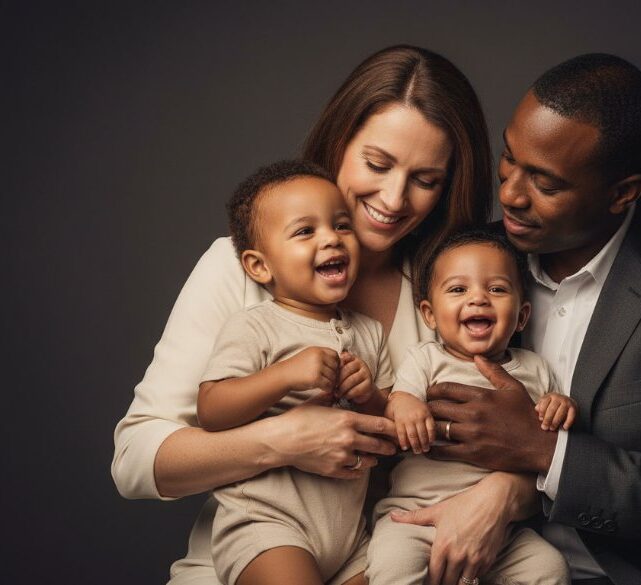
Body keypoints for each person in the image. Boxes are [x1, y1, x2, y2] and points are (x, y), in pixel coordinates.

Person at [111, 46, 524, 585]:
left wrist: (506, 492)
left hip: (378, 561)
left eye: (425, 180)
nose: (394, 198)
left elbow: (511, 432)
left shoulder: (453, 297)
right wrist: (285, 439)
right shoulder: (239, 266)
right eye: (377, 164)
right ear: (338, 143)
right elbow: (136, 460)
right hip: (248, 559)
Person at [394, 54, 641, 585]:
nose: (509, 193)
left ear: (623, 192)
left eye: (546, 185)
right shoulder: (471, 265)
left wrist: (544, 453)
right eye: (509, 158)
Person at [197, 160, 393, 585]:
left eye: (341, 226)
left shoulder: (369, 332)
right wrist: (284, 375)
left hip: (349, 539)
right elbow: (211, 409)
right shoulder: (254, 325)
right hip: (267, 527)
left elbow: (394, 428)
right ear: (259, 266)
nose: (331, 239)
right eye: (305, 231)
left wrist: (372, 397)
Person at [367, 230, 574, 585]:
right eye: (458, 289)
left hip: (503, 530)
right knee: (393, 566)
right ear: (429, 315)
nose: (478, 298)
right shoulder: (426, 359)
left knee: (550, 568)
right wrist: (405, 406)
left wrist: (559, 405)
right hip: (414, 517)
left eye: (496, 289)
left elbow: (547, 434)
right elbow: (398, 402)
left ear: (522, 316)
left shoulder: (535, 369)